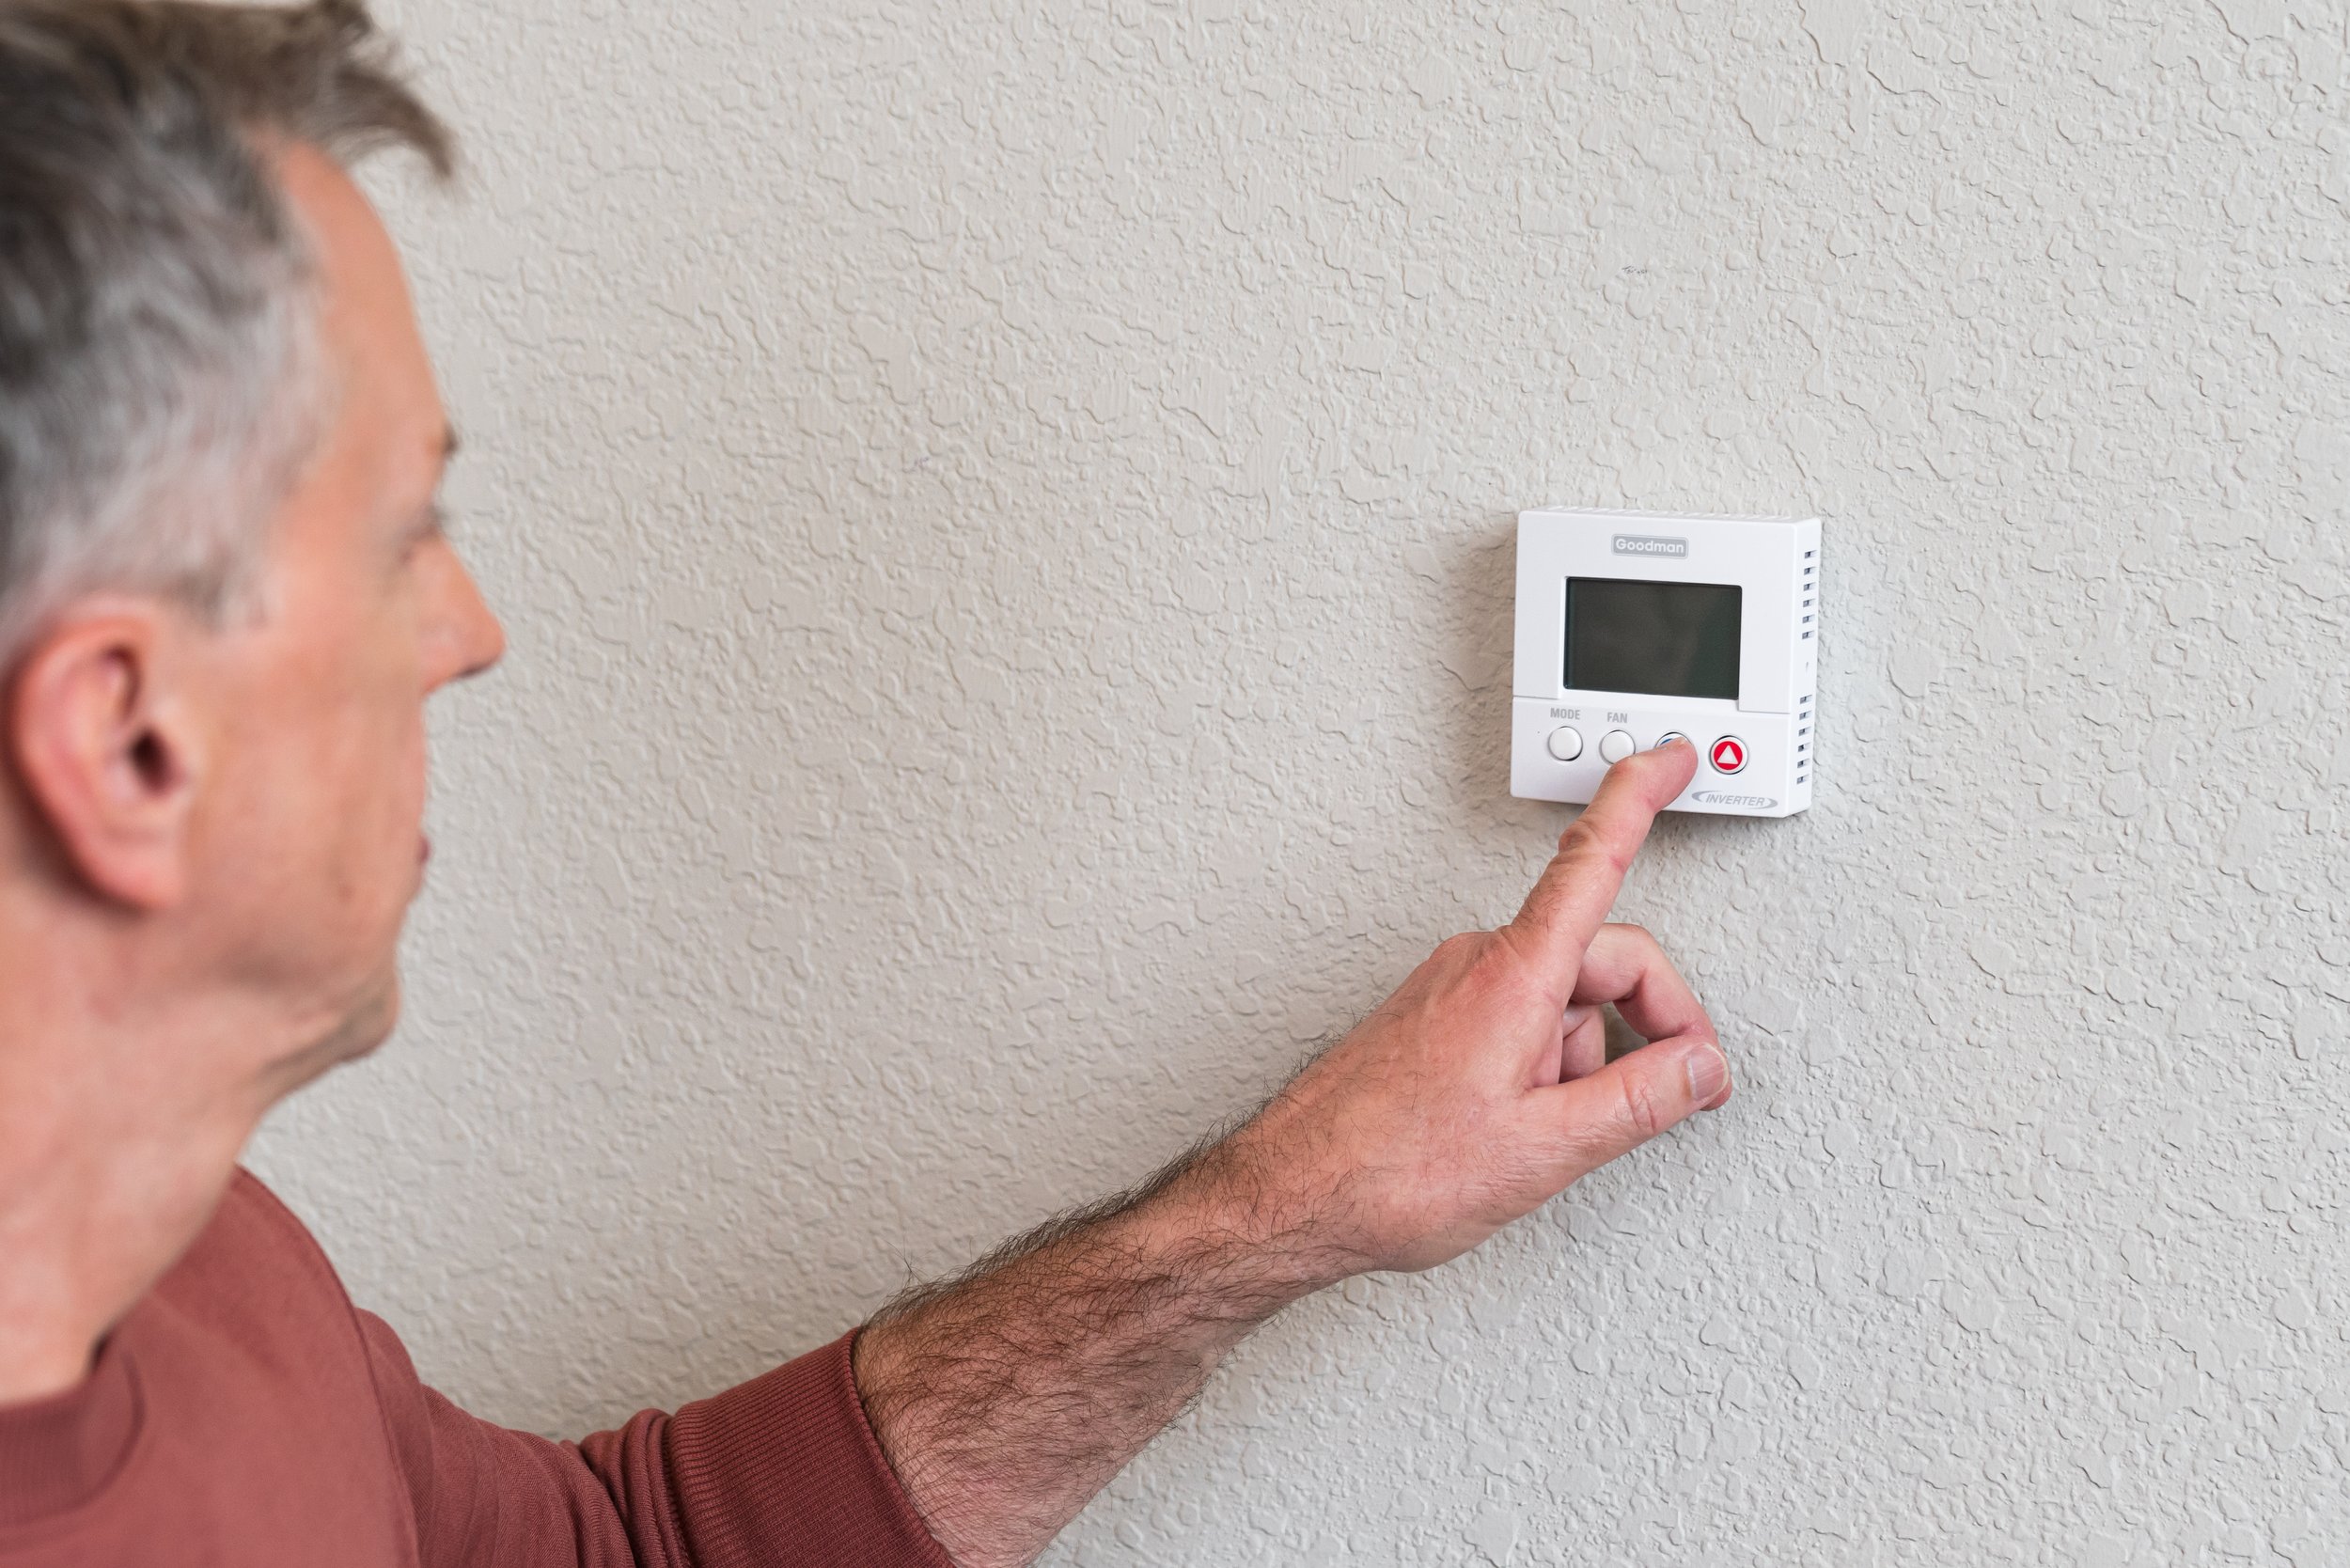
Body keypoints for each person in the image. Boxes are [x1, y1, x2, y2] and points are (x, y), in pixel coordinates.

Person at [0, 4, 1734, 1564]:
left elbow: (626, 1555)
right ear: (125, 742)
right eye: (405, 539)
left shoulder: (207, 1274)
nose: (471, 630)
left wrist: (1274, 1216)